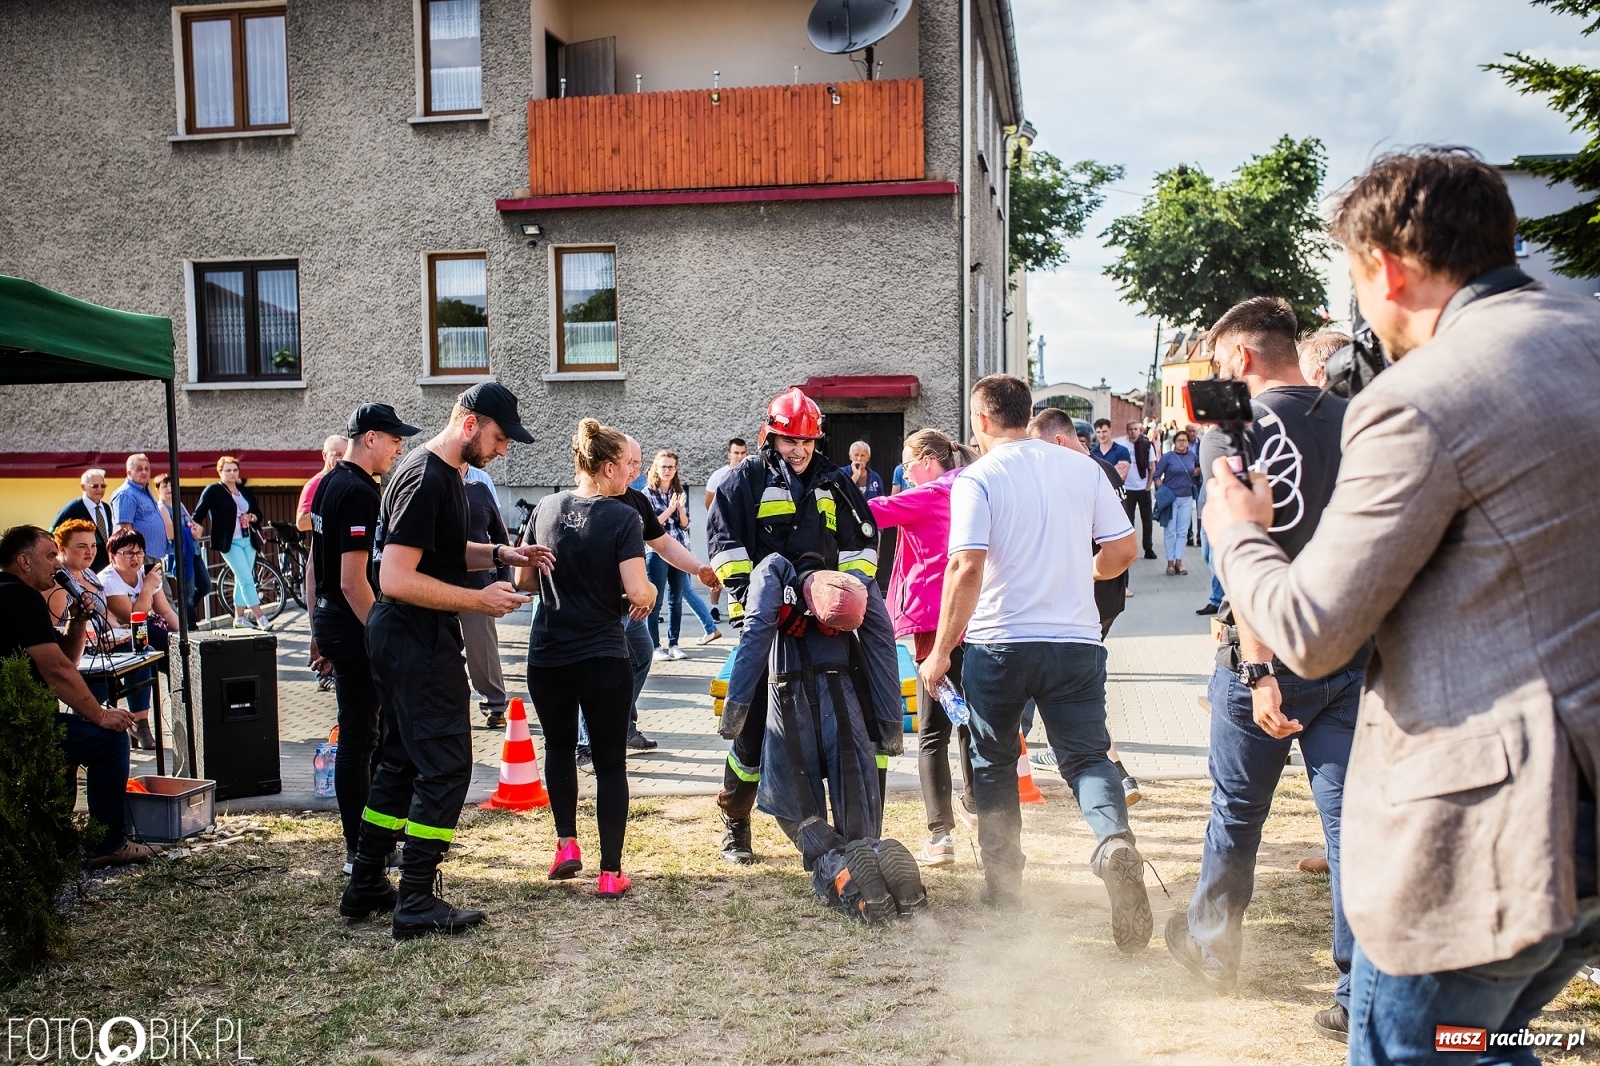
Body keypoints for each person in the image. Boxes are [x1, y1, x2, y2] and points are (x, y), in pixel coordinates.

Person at [1201, 147, 1600, 1064]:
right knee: (1484, 1042)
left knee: (1422, 1049)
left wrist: (1237, 532)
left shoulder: (1417, 397)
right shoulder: (1585, 333)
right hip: (1578, 836)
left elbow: (1310, 629)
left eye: (1354, 280)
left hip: (1494, 836)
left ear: (1385, 267)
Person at [1165, 297, 1365, 1043]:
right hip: (1352, 647)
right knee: (1350, 827)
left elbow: (1245, 556)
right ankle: (1358, 992)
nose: (1217, 378)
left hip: (1270, 649)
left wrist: (1258, 671)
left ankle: (1215, 951)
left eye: (1219, 364)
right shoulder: (1360, 419)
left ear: (1242, 358)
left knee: (1237, 811)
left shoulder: (1233, 435)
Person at [918, 375, 1147, 947]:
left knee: (994, 761)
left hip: (1000, 642)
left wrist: (942, 651)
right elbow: (1123, 549)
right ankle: (1113, 840)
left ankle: (1003, 888)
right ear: (1029, 413)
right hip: (1075, 640)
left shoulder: (978, 479)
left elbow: (966, 567)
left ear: (982, 420)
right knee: (1087, 758)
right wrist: (1087, 574)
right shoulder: (1081, 468)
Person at [339, 382, 551, 939]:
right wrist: (478, 600)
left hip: (409, 636)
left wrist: (503, 553)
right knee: (448, 766)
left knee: (402, 761)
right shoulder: (427, 476)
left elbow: (445, 549)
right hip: (413, 636)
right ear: (470, 422)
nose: (504, 450)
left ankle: (366, 881)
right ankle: (415, 898)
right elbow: (395, 577)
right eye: (501, 437)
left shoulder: (444, 475)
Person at [706, 387, 883, 865]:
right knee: (751, 736)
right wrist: (755, 604)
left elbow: (864, 550)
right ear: (772, 437)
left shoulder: (836, 483)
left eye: (807, 441)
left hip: (825, 629)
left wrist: (839, 598)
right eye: (789, 441)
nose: (800, 451)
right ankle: (735, 821)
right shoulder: (744, 482)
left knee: (843, 721)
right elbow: (726, 547)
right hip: (770, 630)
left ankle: (846, 830)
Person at [720, 554, 919, 922]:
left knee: (800, 816)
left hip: (788, 694)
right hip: (843, 698)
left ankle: (846, 879)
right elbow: (880, 636)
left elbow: (756, 628)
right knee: (860, 827)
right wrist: (890, 722)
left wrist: (737, 705)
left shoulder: (775, 568)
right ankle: (877, 859)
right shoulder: (856, 572)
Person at [515, 419, 656, 899]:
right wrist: (650, 590)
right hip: (601, 654)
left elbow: (524, 583)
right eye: (628, 469)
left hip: (548, 652)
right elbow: (637, 589)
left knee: (558, 747)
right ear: (608, 468)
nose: (632, 479)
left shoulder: (546, 507)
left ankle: (566, 846)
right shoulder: (622, 518)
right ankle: (611, 872)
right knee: (610, 762)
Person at [0, 526, 155, 868]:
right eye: (49, 555)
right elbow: (56, 670)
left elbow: (65, 658)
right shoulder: (19, 597)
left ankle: (55, 837)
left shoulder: (16, 596)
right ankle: (108, 843)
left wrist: (78, 620)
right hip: (18, 724)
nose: (56, 564)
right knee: (109, 740)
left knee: (76, 741)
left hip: (22, 719)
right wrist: (99, 715)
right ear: (24, 562)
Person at [307, 403, 418, 873]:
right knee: (362, 737)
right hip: (354, 622)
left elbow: (316, 564)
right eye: (394, 440)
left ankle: (370, 841)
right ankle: (362, 848)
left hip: (334, 617)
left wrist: (316, 625)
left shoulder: (329, 482)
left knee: (364, 732)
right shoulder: (357, 491)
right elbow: (354, 580)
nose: (399, 449)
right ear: (370, 438)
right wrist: (384, 635)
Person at [868, 428, 977, 866]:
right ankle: (977, 806)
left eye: (907, 465)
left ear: (928, 461)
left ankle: (940, 836)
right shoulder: (971, 484)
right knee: (971, 722)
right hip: (976, 618)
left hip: (936, 627)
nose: (905, 474)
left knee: (933, 733)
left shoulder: (932, 492)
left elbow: (873, 511)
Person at [1026, 409, 1143, 807]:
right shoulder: (1105, 470)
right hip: (1105, 598)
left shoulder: (1081, 473)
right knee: (1077, 693)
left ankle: (1112, 773)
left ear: (1058, 442)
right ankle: (1107, 770)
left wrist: (1087, 573)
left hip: (1087, 597)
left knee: (1059, 695)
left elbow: (1120, 547)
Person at [97, 528, 180, 751]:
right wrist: (147, 588)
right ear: (112, 556)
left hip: (145, 633)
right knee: (146, 646)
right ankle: (140, 722)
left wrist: (186, 637)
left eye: (139, 552)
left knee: (180, 655)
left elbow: (165, 611)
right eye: (128, 553)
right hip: (116, 640)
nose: (135, 558)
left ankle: (183, 709)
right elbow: (134, 618)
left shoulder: (148, 574)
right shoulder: (108, 580)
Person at [644, 450, 721, 659]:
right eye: (663, 466)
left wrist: (680, 509)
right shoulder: (647, 494)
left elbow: (685, 525)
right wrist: (669, 510)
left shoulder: (679, 491)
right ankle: (655, 646)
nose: (667, 470)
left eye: (671, 467)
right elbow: (650, 527)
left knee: (675, 600)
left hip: (680, 551)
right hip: (657, 553)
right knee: (656, 601)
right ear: (656, 469)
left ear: (676, 469)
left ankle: (674, 644)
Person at [195, 457, 271, 631]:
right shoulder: (213, 490)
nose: (232, 473)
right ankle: (261, 617)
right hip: (230, 542)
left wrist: (250, 517)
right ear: (220, 472)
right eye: (227, 470)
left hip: (248, 540)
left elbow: (258, 513)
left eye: (234, 470)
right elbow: (199, 513)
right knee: (247, 579)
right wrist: (194, 527)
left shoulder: (244, 491)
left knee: (241, 580)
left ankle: (240, 617)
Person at [461, 466, 511, 730]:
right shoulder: (431, 488)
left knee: (482, 647)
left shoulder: (479, 490)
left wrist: (504, 579)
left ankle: (495, 705)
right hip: (435, 585)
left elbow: (500, 536)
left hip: (477, 585)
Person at [153, 474, 210, 629]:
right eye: (165, 486)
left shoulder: (179, 504)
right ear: (158, 490)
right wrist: (189, 530)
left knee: (205, 586)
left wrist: (197, 528)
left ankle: (181, 613)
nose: (170, 489)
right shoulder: (161, 508)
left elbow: (191, 524)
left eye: (172, 486)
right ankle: (190, 626)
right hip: (180, 555)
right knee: (188, 593)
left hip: (193, 551)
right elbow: (170, 533)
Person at [1151, 432, 1199, 574]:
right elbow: (1156, 475)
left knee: (1182, 531)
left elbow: (1198, 468)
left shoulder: (1192, 456)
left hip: (1187, 497)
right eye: (1179, 440)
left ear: (1188, 443)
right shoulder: (1168, 457)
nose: (1182, 443)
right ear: (1174, 442)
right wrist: (1161, 490)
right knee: (1170, 530)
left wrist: (1195, 472)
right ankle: (1170, 563)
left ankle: (1179, 561)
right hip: (1171, 499)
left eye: (1184, 441)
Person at [110, 453, 168, 562]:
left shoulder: (144, 490)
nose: (144, 472)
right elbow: (124, 530)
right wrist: (135, 555)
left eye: (147, 469)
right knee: (153, 580)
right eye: (139, 469)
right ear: (129, 473)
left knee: (158, 580)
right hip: (140, 556)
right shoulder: (126, 494)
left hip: (152, 554)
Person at [53, 468, 114, 572]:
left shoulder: (106, 508)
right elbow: (53, 533)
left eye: (103, 486)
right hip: (82, 567)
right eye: (95, 486)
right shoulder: (73, 508)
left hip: (105, 565)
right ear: (82, 487)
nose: (100, 489)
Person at [1116, 421, 1158, 560]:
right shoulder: (1122, 447)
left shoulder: (1147, 446)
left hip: (1142, 488)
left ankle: (1148, 548)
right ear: (1127, 431)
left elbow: (1152, 467)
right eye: (1130, 429)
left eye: (1136, 429)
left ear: (1140, 431)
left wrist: (1148, 485)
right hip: (1127, 488)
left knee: (1147, 521)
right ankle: (1131, 550)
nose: (1133, 431)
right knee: (1128, 521)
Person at [297, 435, 349, 532]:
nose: (342, 459)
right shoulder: (314, 484)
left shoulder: (350, 480)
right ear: (325, 455)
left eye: (346, 454)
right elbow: (301, 523)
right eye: (338, 454)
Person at [703, 437, 749, 511]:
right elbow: (709, 504)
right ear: (729, 455)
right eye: (736, 453)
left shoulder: (751, 474)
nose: (740, 456)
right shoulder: (718, 476)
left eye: (743, 453)